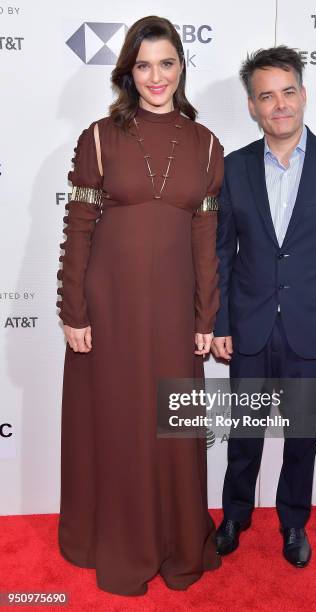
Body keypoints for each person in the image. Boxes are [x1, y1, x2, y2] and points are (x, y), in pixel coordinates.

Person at [56, 15, 223, 596]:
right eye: (144, 65)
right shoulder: (99, 136)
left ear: (181, 67)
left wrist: (207, 317)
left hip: (175, 310)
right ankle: (110, 538)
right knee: (119, 423)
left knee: (171, 424)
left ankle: (177, 540)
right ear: (129, 71)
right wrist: (73, 309)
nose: (156, 77)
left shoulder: (206, 145)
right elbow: (78, 227)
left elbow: (206, 241)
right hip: (109, 308)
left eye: (167, 63)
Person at [211, 46, 316, 567]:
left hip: (314, 328)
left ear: (303, 95)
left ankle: (293, 523)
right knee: (244, 431)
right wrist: (218, 322)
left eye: (287, 92)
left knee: (302, 434)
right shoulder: (233, 168)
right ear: (252, 107)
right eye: (267, 96)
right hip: (249, 325)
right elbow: (219, 252)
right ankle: (234, 514)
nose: (279, 105)